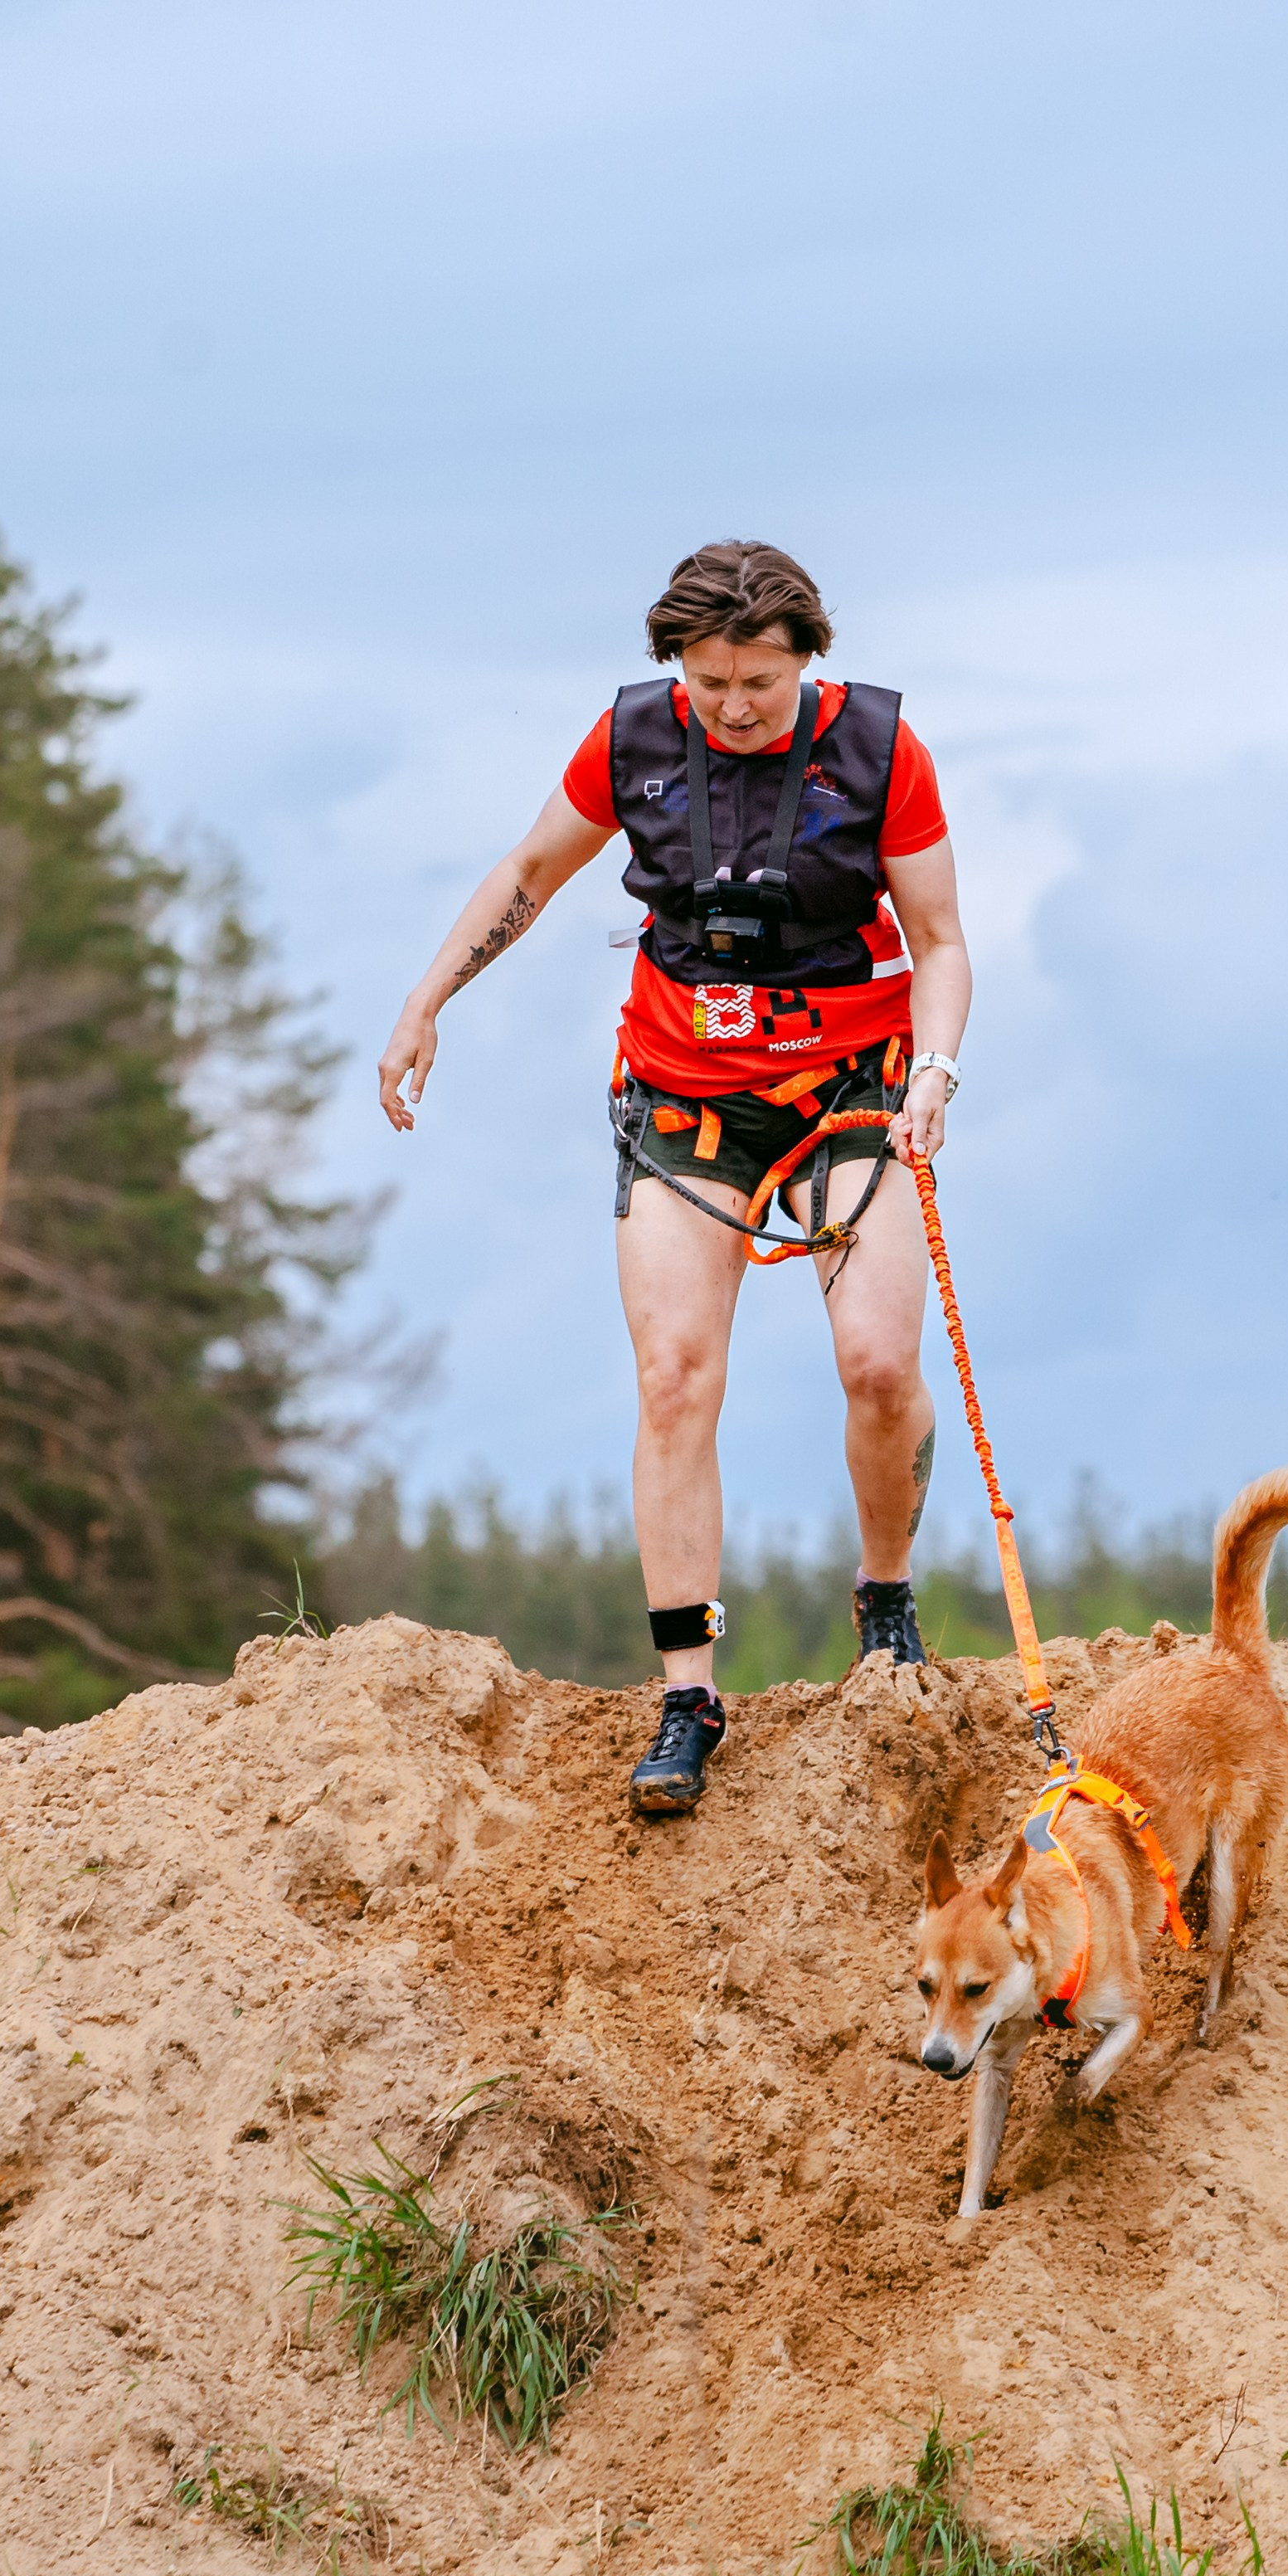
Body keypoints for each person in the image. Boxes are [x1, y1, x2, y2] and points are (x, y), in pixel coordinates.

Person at [378, 540, 971, 1816]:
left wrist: (937, 1070)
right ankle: (688, 1697)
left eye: (758, 679)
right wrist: (427, 1000)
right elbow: (530, 872)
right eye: (710, 681)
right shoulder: (632, 741)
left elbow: (938, 940)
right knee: (675, 1376)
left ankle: (884, 1604)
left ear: (807, 662)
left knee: (877, 1365)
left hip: (853, 1090)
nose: (735, 705)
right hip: (681, 1092)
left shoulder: (881, 754)